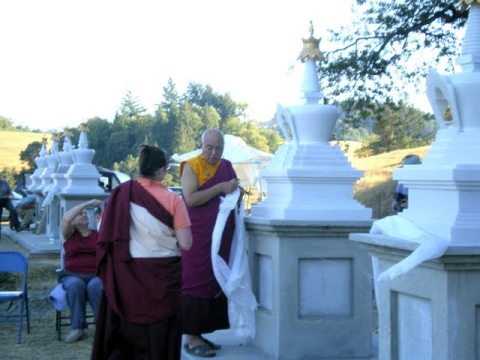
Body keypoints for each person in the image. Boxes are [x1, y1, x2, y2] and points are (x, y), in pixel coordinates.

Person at [92, 144, 192, 360]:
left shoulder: (121, 193)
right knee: (160, 335)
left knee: (128, 334)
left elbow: (105, 236)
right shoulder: (173, 199)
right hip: (163, 279)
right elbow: (185, 243)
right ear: (161, 171)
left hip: (128, 278)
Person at [181, 128, 240, 357]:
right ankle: (191, 337)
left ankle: (202, 332)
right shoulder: (191, 166)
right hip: (198, 236)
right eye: (209, 147)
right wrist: (221, 188)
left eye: (219, 148)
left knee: (216, 281)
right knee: (196, 281)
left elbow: (231, 191)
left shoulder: (226, 166)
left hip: (220, 237)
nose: (214, 152)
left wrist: (236, 192)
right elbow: (191, 199)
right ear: (201, 144)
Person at [60, 198, 104, 343]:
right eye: (80, 214)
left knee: (96, 286)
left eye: (86, 213)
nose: (84, 214)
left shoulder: (97, 234)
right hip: (73, 275)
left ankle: (101, 328)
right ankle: (78, 328)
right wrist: (86, 203)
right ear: (74, 221)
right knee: (75, 285)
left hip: (96, 275)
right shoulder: (69, 235)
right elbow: (66, 218)